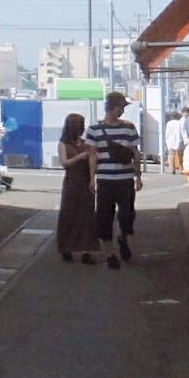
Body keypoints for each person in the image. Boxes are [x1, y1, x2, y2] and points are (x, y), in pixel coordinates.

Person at [84, 93, 143, 270]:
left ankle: (123, 237)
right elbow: (92, 155)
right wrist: (92, 178)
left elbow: (136, 153)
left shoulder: (128, 127)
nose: (122, 111)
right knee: (104, 217)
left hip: (123, 178)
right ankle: (109, 254)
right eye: (121, 107)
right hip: (106, 179)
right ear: (114, 107)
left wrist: (138, 176)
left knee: (127, 216)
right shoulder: (94, 129)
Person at [55, 113, 99, 264]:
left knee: (87, 215)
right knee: (69, 213)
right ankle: (66, 247)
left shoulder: (86, 143)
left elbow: (93, 159)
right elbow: (64, 163)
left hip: (84, 180)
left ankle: (87, 249)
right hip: (72, 181)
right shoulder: (63, 144)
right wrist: (80, 157)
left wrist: (92, 179)